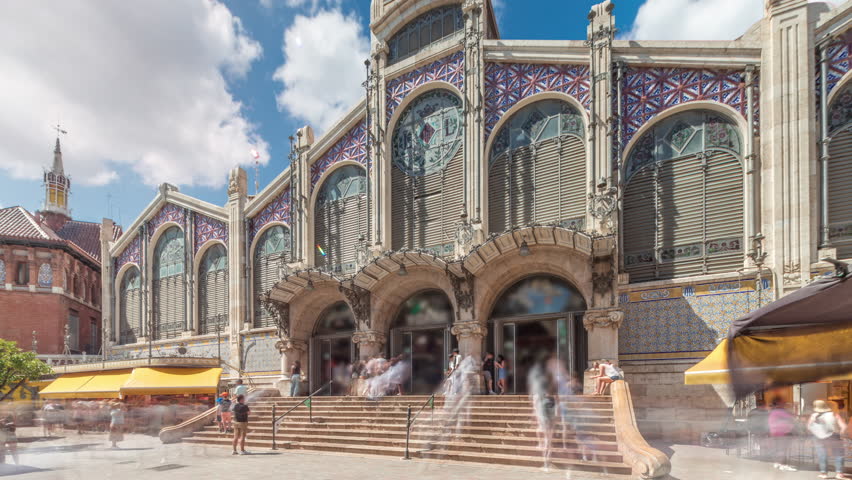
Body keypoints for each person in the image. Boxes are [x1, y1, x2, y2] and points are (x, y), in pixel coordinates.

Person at [808, 399, 849, 479]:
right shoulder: (834, 414)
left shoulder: (814, 416)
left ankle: (824, 473)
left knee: (822, 455)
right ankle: (839, 473)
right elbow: (844, 426)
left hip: (819, 438)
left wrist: (817, 433)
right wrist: (841, 433)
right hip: (834, 436)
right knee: (838, 454)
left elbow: (809, 427)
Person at [768, 398, 797, 472]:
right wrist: (795, 407)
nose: (784, 404)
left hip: (775, 432)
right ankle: (783, 465)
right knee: (783, 449)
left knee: (778, 448)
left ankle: (777, 463)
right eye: (783, 403)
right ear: (779, 404)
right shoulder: (781, 411)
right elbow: (792, 418)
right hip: (783, 433)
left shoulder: (772, 411)